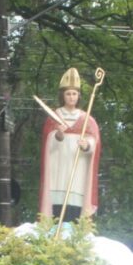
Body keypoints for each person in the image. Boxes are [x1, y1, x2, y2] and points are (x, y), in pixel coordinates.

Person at [38, 67, 101, 220]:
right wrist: (58, 134)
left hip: (78, 172)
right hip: (58, 170)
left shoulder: (87, 119)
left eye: (74, 94)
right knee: (57, 207)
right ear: (63, 96)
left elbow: (95, 143)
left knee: (74, 210)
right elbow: (47, 144)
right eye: (68, 94)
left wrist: (87, 145)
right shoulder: (54, 117)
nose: (71, 97)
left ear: (78, 96)